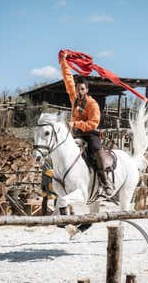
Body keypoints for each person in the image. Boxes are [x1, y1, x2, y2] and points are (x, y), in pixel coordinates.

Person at [59, 52, 115, 198]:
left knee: (95, 151)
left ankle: (105, 182)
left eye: (82, 89)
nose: (79, 91)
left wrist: (76, 123)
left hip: (91, 134)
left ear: (87, 90)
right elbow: (67, 78)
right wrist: (63, 61)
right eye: (78, 89)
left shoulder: (92, 104)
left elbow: (93, 123)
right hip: (76, 133)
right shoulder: (74, 97)